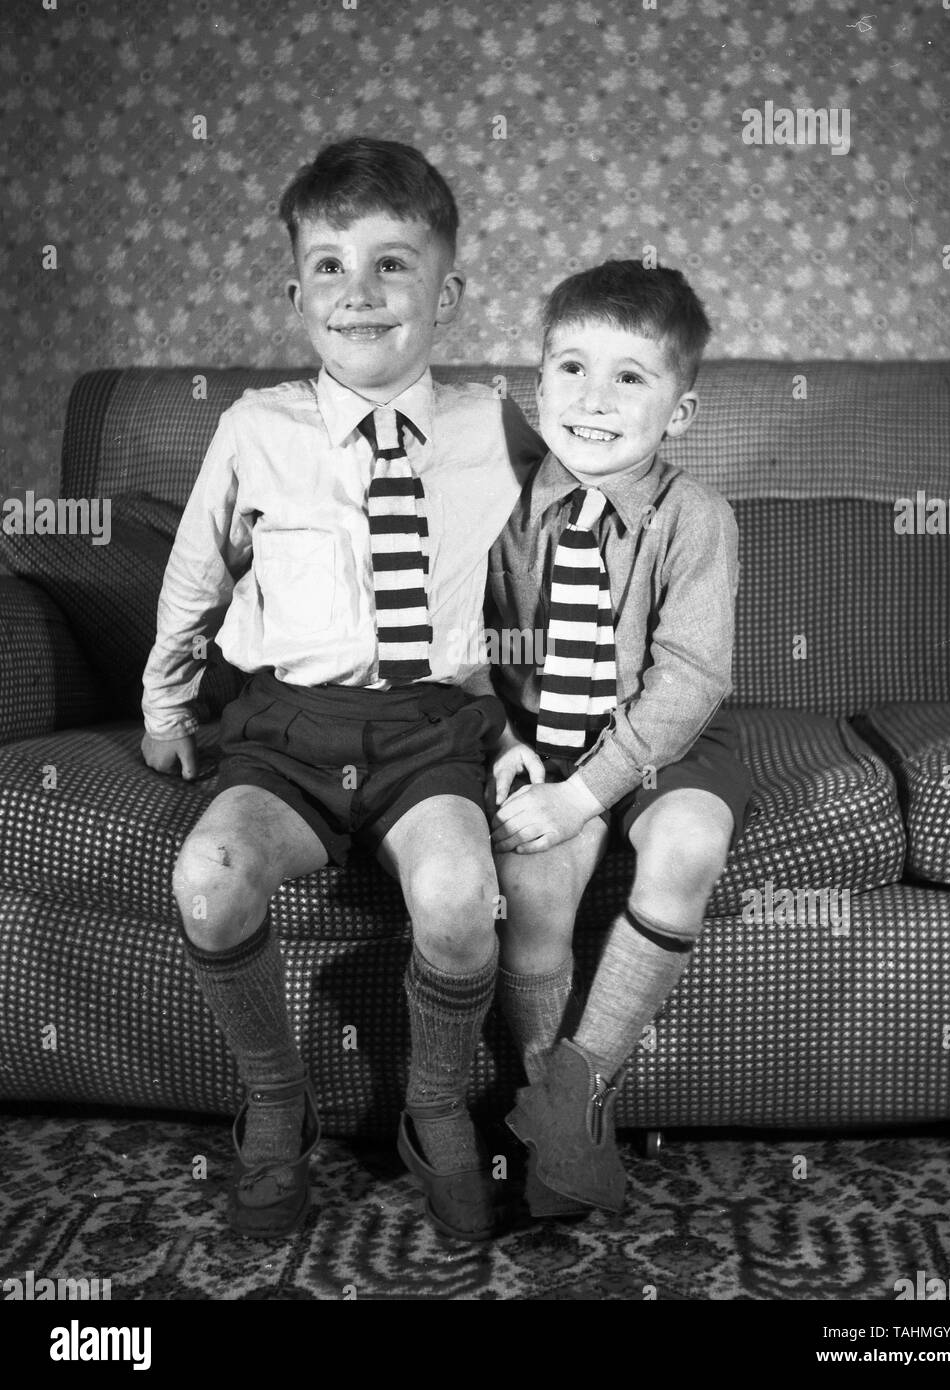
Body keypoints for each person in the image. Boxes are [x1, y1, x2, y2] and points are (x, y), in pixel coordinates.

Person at [141, 137, 540, 1241]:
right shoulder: (254, 431)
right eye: (328, 265)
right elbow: (195, 573)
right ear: (294, 291)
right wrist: (168, 706)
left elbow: (546, 581)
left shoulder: (497, 428)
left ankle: (435, 1105)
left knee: (462, 899)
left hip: (429, 730)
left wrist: (534, 729)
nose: (357, 293)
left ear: (447, 290)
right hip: (285, 734)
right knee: (209, 878)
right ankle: (276, 1100)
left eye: (391, 264)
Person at [484, 259, 753, 1216]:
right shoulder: (499, 507)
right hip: (541, 738)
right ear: (536, 381)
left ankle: (576, 1093)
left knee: (688, 842)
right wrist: (498, 740)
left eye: (629, 377)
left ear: (678, 411)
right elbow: (457, 641)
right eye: (570, 369)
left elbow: (691, 678)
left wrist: (584, 794)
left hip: (663, 742)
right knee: (528, 880)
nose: (592, 399)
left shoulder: (696, 518)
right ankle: (546, 1100)